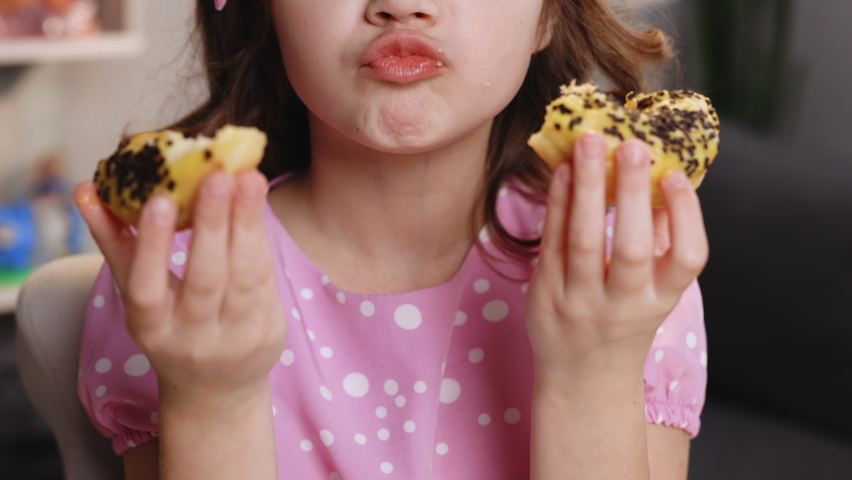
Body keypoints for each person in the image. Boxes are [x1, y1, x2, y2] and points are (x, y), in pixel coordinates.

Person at [72, 0, 709, 479]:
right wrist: (211, 402)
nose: (402, 3)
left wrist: (593, 374)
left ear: (548, 16)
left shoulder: (623, 267)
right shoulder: (177, 278)